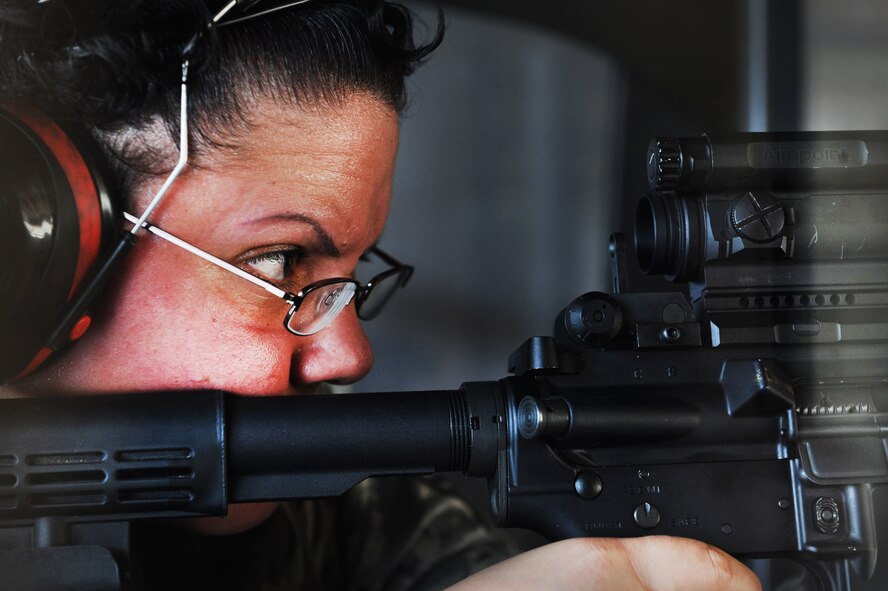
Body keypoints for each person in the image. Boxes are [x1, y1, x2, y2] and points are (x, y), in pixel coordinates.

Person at [0, 1, 761, 589]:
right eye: (278, 259)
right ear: (30, 248)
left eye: (353, 270)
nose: (349, 352)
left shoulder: (341, 521)